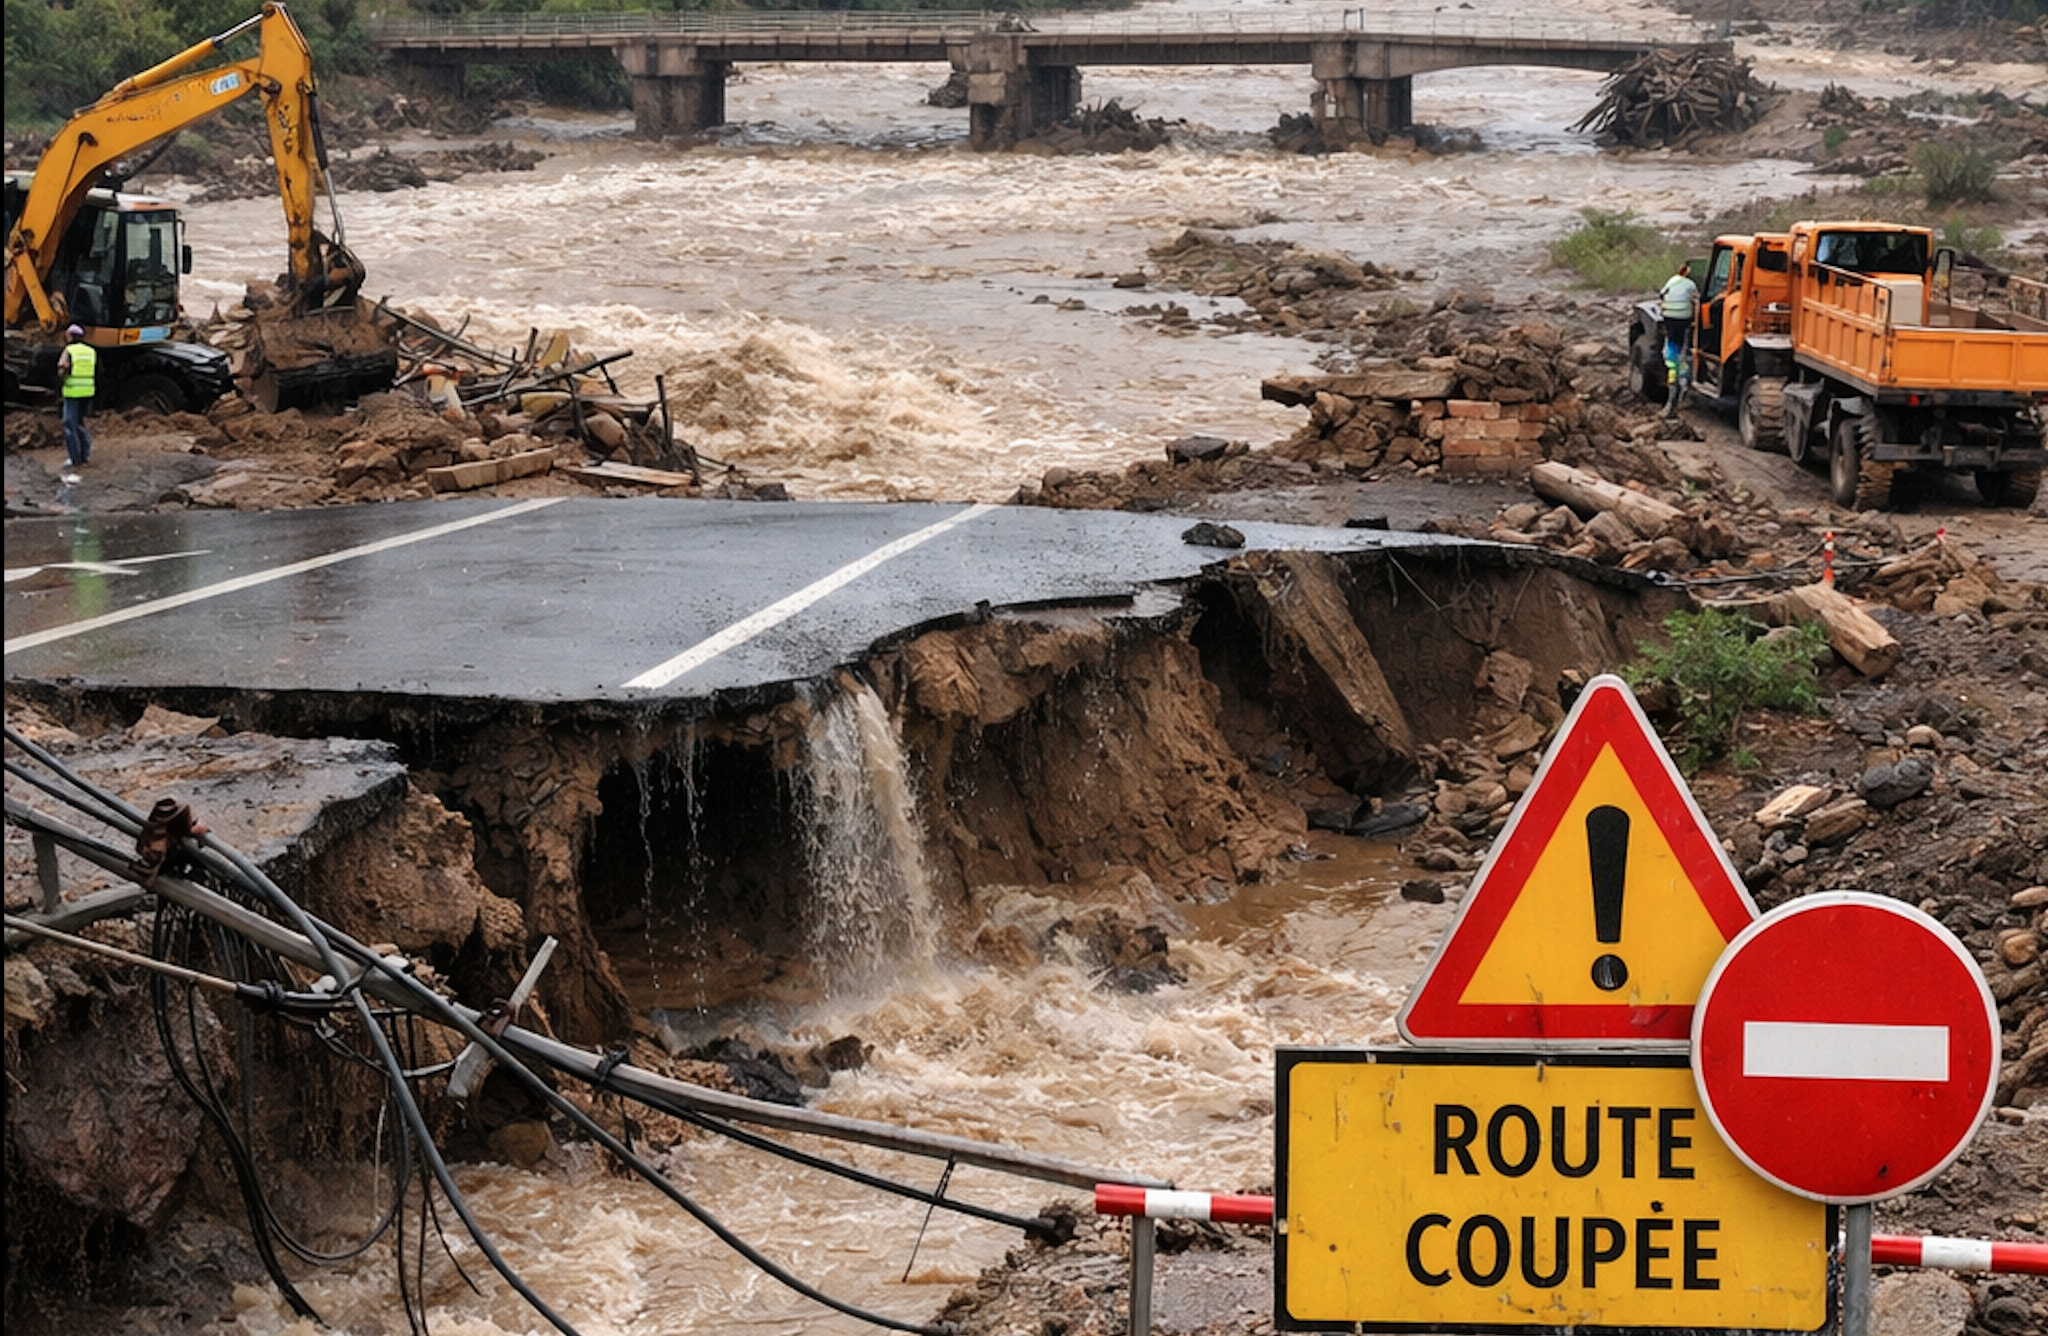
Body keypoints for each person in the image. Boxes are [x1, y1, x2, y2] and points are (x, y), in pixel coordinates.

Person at [1659, 262, 1699, 414]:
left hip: (1669, 317)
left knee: (1672, 349)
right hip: (1684, 319)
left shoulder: (1672, 280)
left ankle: (1674, 382)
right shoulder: (1691, 284)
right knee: (1683, 348)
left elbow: (1662, 294)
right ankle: (1683, 382)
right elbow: (1696, 298)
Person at [57, 323, 96, 469]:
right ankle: (85, 456)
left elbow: (62, 370)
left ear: (70, 336)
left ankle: (74, 459)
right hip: (87, 392)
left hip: (72, 392)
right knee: (80, 423)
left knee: (69, 424)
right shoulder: (91, 351)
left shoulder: (69, 350)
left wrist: (62, 374)